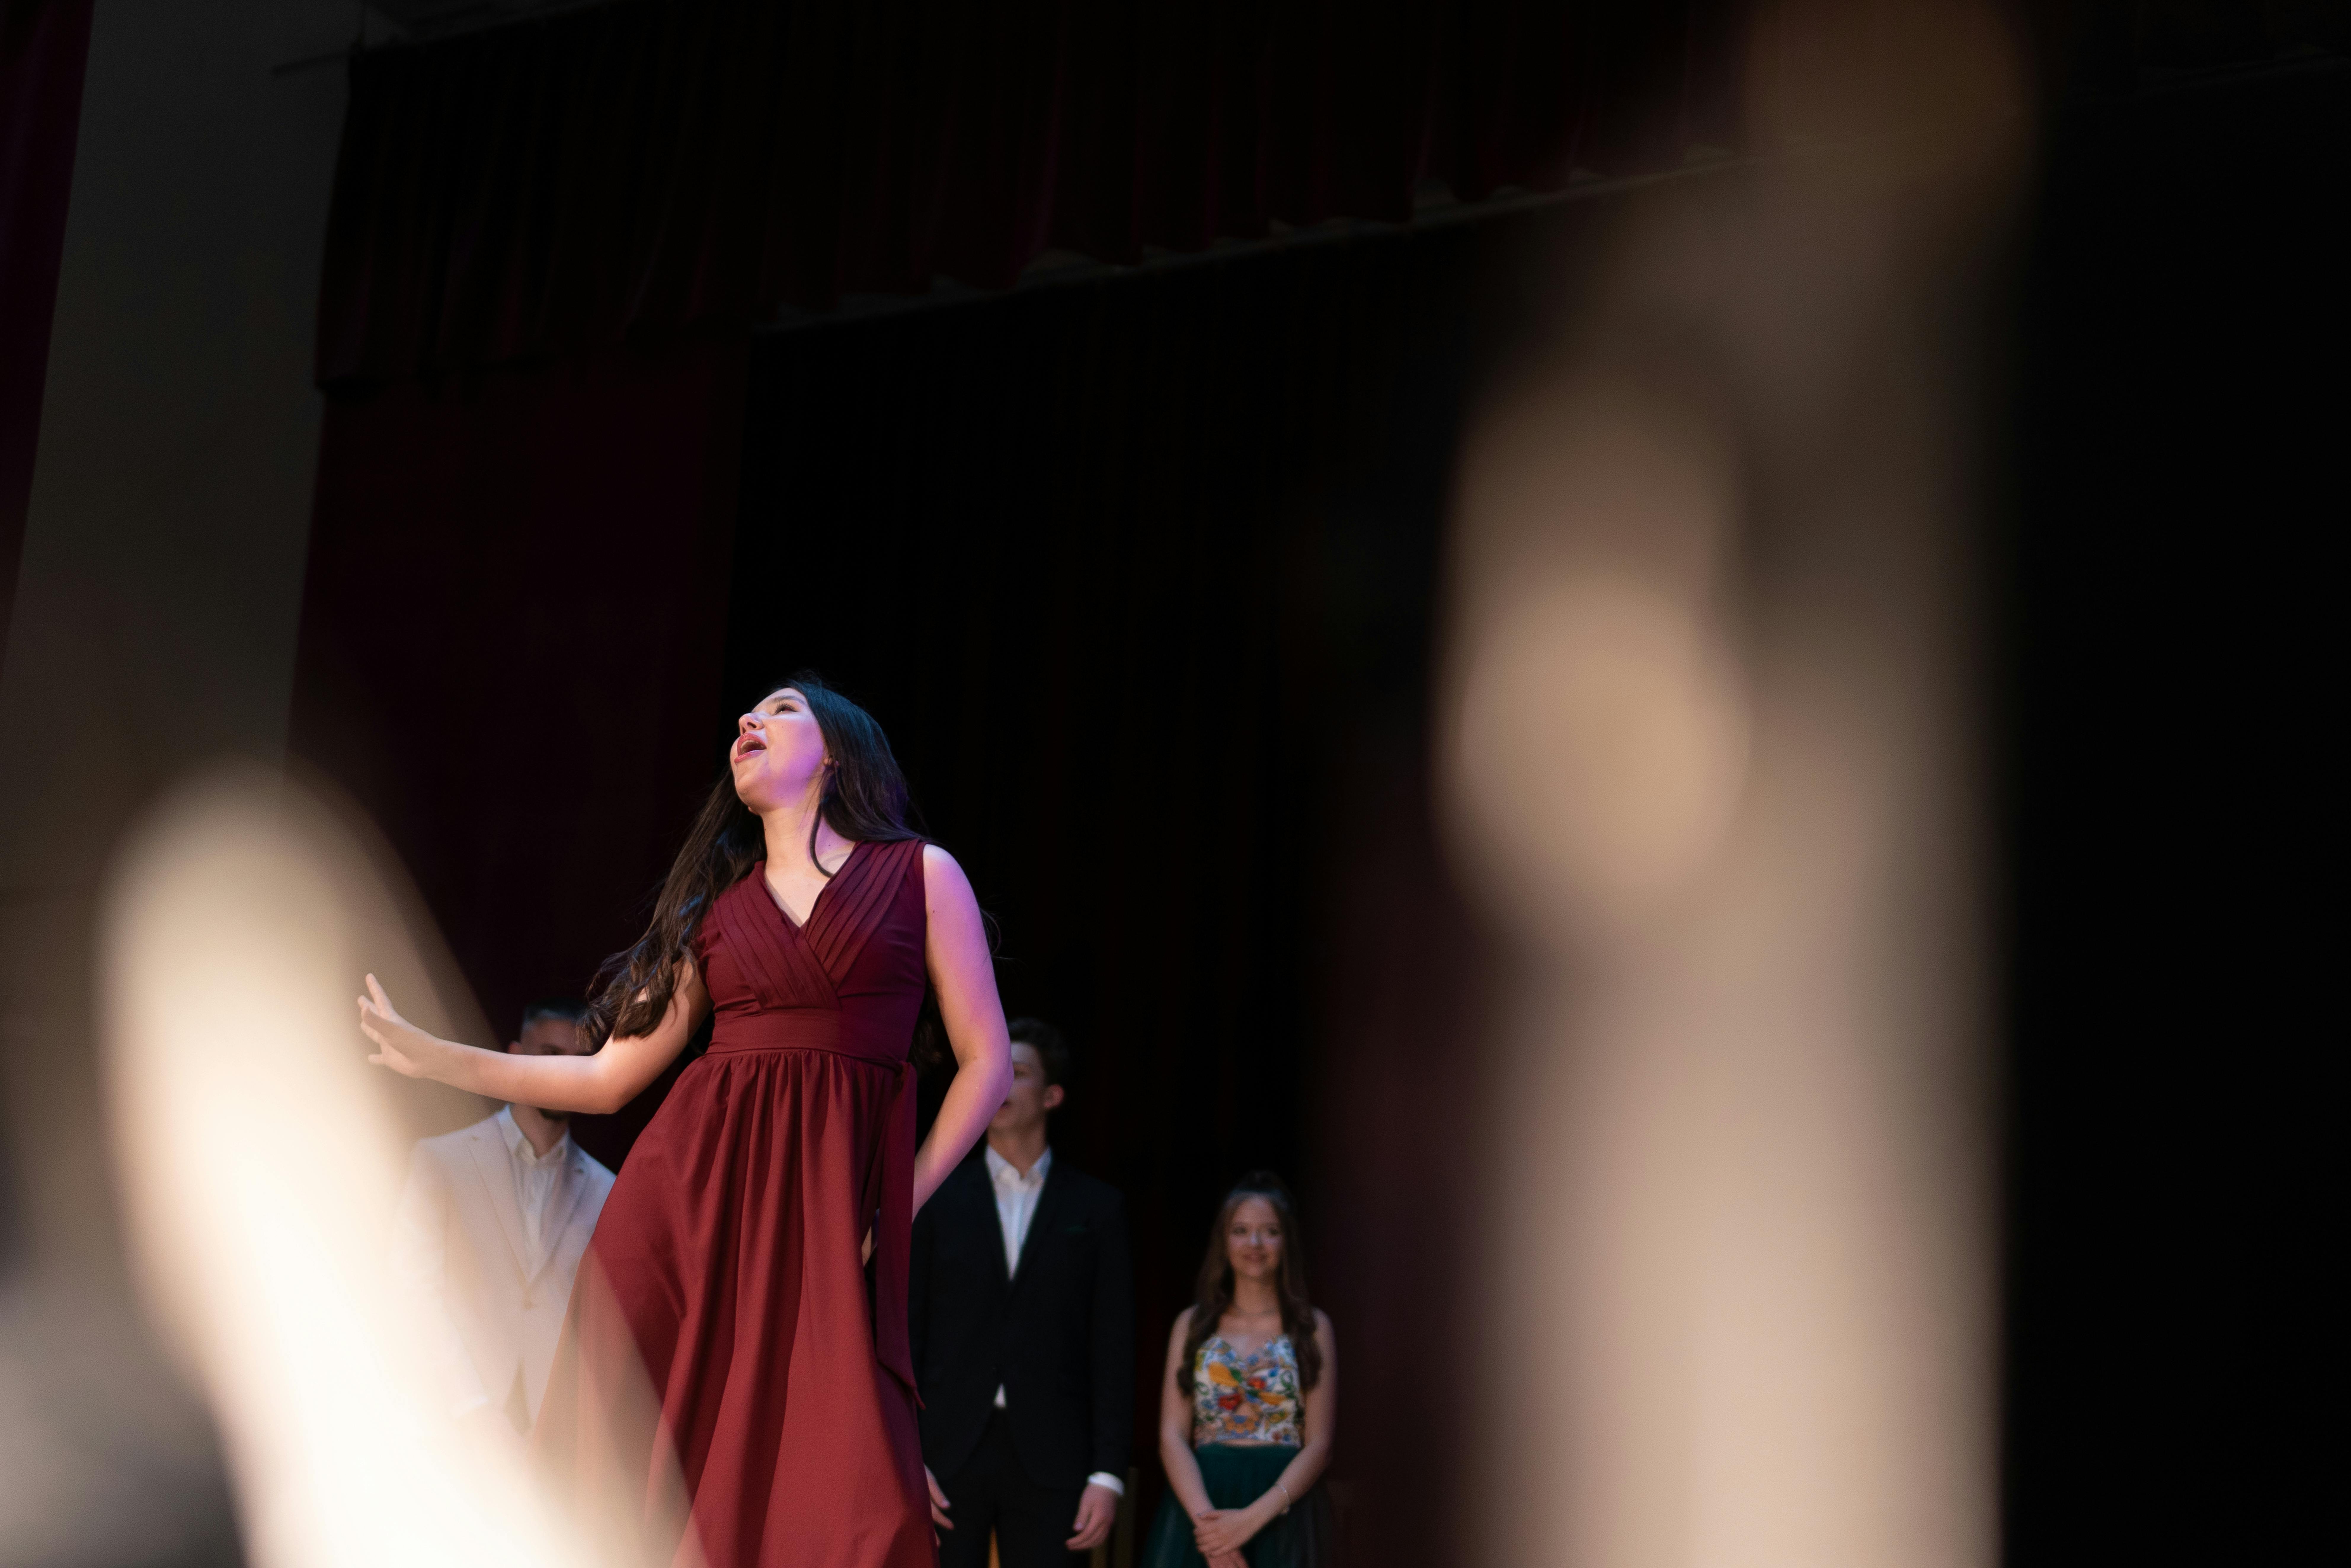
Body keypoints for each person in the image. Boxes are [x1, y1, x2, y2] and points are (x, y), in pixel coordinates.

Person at [358, 675, 1015, 1568]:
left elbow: (988, 1062)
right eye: (748, 711)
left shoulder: (920, 875)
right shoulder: (718, 913)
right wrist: (441, 1057)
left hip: (828, 1224)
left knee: (856, 1502)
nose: (752, 718)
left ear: (838, 751)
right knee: (659, 1477)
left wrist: (893, 1202)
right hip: (694, 1214)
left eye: (783, 710)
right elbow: (606, 1075)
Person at [911, 1018, 1133, 1568]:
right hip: (945, 1452)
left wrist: (1107, 1471)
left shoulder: (1098, 1209)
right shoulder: (935, 1194)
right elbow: (908, 1331)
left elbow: (1113, 1347)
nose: (1000, 1083)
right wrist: (905, 1453)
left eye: (1019, 1072)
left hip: (1054, 1455)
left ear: (1053, 1095)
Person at [391, 998, 615, 1436]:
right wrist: (469, 1406)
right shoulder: (442, 1159)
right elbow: (412, 1288)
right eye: (551, 1056)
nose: (564, 1074)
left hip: (553, 1435)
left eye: (578, 1062)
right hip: (446, 1422)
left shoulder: (608, 1189)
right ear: (515, 1057)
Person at [1141, 1175, 1335, 1568]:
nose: (1255, 1244)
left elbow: (1320, 1444)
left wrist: (1252, 1519)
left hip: (1283, 1509)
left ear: (1287, 1242)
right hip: (1202, 1504)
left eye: (1270, 1232)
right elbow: (1171, 1435)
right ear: (1223, 1241)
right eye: (1241, 1231)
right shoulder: (1193, 1324)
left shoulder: (1312, 1327)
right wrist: (1211, 1532)